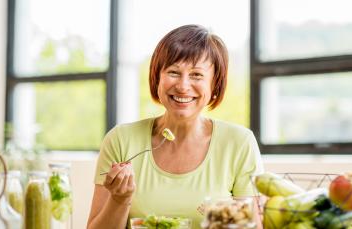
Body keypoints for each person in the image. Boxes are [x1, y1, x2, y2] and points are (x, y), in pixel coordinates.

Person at [87, 24, 264, 229]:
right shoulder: (120, 140)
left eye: (197, 75)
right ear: (157, 78)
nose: (182, 85)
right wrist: (119, 200)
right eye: (173, 72)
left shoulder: (239, 143)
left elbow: (253, 226)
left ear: (214, 84)